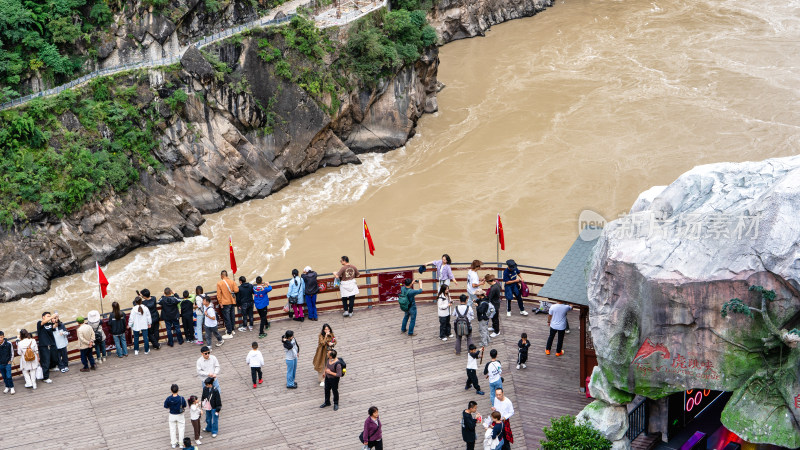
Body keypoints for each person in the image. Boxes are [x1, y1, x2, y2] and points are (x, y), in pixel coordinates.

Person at [215, 270, 239, 339]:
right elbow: (236, 290)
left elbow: (218, 295)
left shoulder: (219, 283)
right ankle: (232, 329)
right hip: (232, 301)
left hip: (225, 302)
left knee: (227, 317)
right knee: (232, 316)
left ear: (222, 276)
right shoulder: (232, 281)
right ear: (227, 275)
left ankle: (229, 333)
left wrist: (220, 303)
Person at [36, 311, 57, 383]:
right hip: (44, 346)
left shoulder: (49, 324)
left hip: (52, 344)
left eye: (49, 316)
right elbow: (43, 322)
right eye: (47, 316)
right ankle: (45, 377)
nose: (49, 317)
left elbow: (55, 326)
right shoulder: (39, 323)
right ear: (43, 317)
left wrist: (56, 319)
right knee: (45, 362)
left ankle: (51, 367)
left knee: (54, 358)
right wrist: (51, 317)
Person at [164, 383, 187, 449]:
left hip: (172, 415)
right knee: (181, 429)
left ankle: (173, 443)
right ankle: (181, 444)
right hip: (180, 415)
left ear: (171, 390)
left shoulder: (168, 398)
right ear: (178, 390)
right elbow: (184, 405)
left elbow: (165, 406)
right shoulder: (181, 398)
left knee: (172, 429)